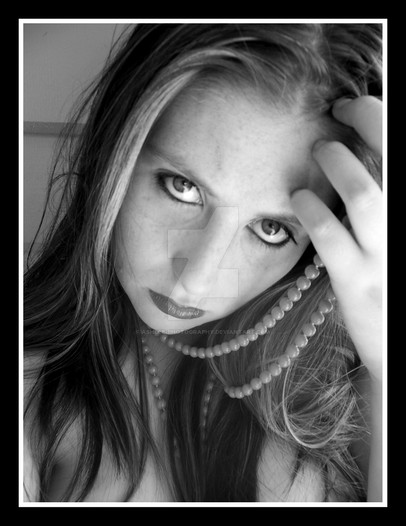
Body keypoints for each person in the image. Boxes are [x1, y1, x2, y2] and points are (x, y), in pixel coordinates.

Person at [23, 23, 383, 503]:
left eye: (271, 229)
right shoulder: (34, 388)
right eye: (182, 188)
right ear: (115, 155)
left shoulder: (356, 385)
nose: (195, 281)